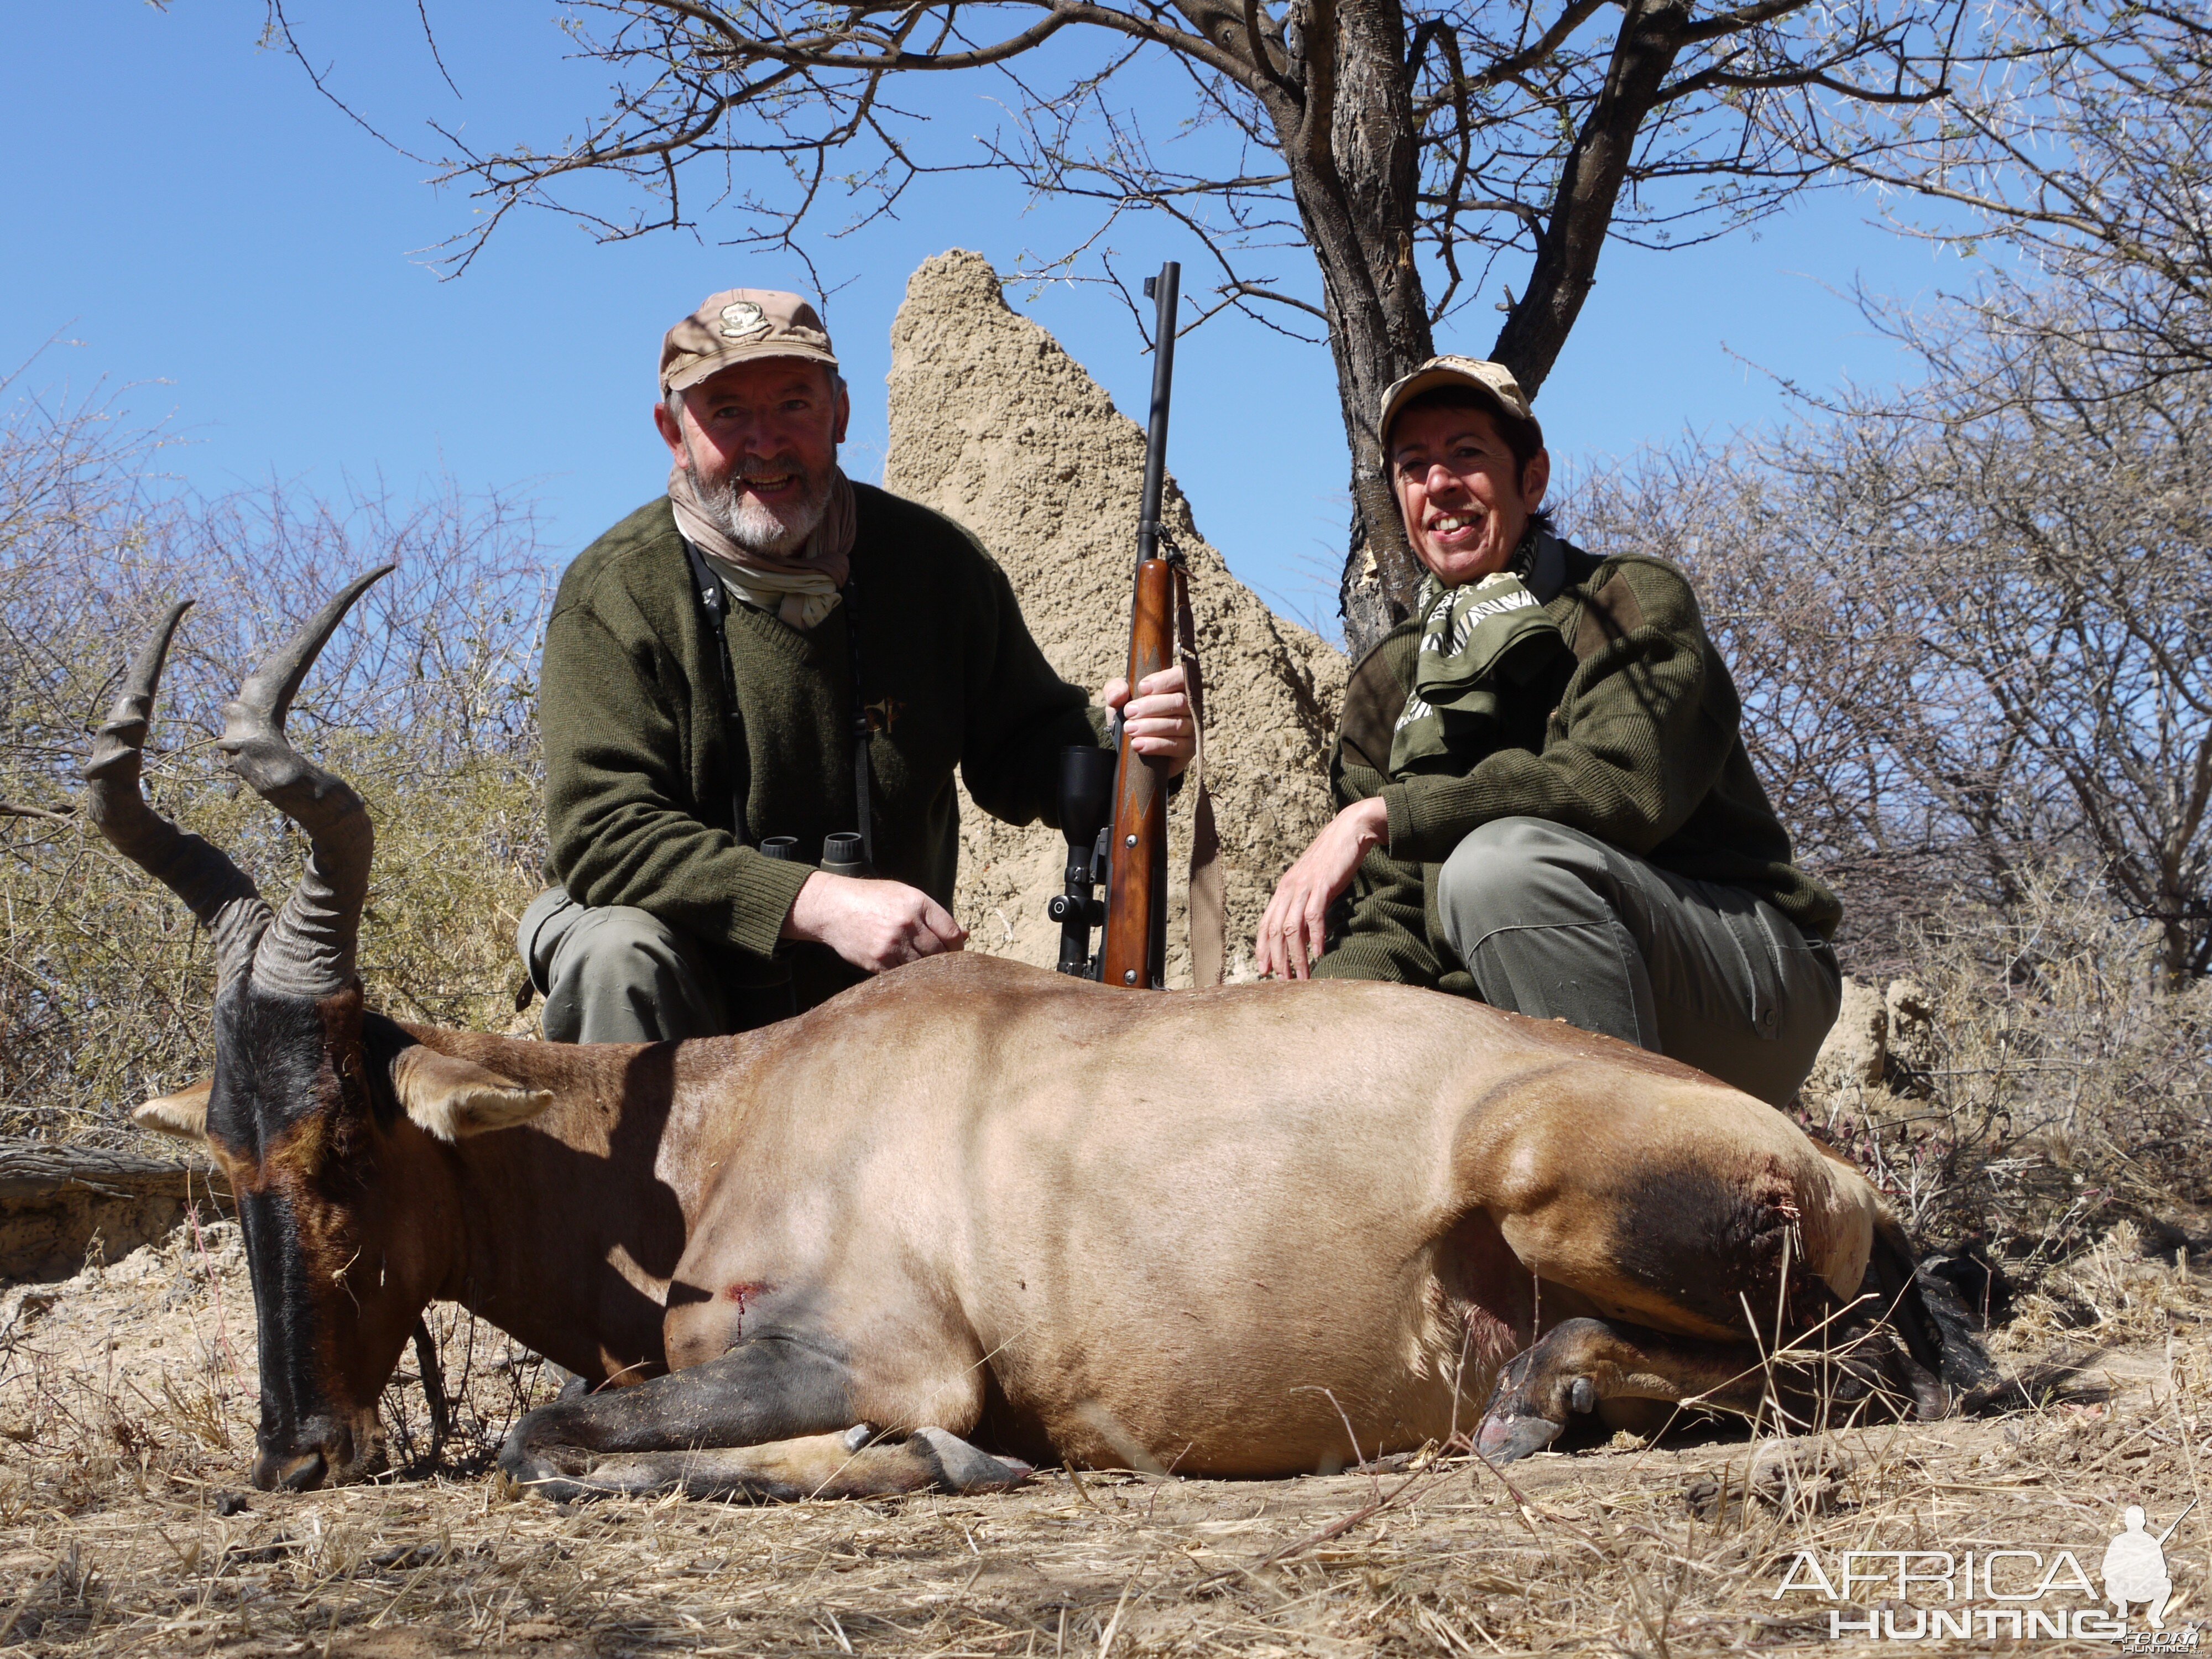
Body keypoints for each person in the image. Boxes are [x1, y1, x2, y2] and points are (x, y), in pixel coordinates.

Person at [519, 288, 1193, 1041]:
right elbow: (602, 834)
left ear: (840, 414)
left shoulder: (936, 566)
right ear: (674, 433)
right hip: (684, 972)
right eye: (729, 412)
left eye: (795, 406)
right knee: (619, 955)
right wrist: (821, 904)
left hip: (877, 993)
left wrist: (1135, 743)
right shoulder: (616, 590)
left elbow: (1024, 753)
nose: (765, 442)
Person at [1258, 356, 1840, 1105]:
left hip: (1745, 985)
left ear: (1532, 477)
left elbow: (1616, 787)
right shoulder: (1387, 685)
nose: (1439, 484)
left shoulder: (1623, 602)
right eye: (1414, 466)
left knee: (1497, 870)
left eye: (1467, 453)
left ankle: (1632, 1186)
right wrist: (1292, 1038)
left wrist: (1383, 815)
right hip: (1516, 1012)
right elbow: (1390, 924)